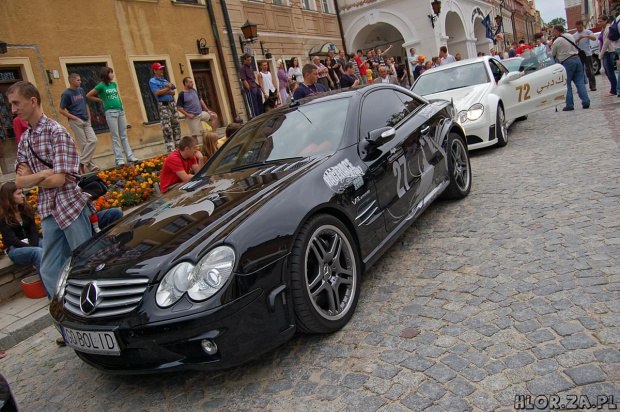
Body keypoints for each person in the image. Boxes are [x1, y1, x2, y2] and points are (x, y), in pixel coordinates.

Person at [9, 82, 95, 347]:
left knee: (84, 266)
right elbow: (19, 182)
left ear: (32, 101)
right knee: (49, 270)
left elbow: (59, 180)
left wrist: (35, 178)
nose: (13, 110)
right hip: (48, 209)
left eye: (16, 104)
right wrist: (41, 175)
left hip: (70, 205)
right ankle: (66, 323)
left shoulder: (57, 132)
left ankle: (94, 323)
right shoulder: (26, 139)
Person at [87, 67, 137, 166]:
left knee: (123, 134)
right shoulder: (101, 86)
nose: (113, 75)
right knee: (115, 136)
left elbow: (116, 96)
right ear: (106, 74)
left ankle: (130, 156)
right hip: (110, 112)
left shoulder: (113, 84)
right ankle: (119, 159)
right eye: (111, 73)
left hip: (120, 110)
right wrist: (101, 100)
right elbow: (89, 95)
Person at [59, 73, 100, 174]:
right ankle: (92, 167)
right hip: (76, 120)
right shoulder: (66, 94)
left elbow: (85, 104)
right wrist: (73, 117)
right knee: (84, 144)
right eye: (78, 80)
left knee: (93, 140)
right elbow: (61, 110)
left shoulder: (81, 90)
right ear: (71, 81)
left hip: (86, 119)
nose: (80, 82)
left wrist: (89, 116)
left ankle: (81, 162)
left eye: (80, 80)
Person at [0, 182, 42, 277]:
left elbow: (33, 233)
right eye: (19, 194)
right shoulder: (3, 217)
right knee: (38, 252)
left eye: (22, 193)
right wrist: (33, 249)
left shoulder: (26, 210)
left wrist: (34, 246)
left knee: (51, 246)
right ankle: (50, 289)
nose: (23, 196)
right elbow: (13, 240)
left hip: (32, 243)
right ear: (9, 197)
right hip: (15, 249)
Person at [550, 24, 590, 111]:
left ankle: (570, 104)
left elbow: (552, 54)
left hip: (567, 62)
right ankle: (586, 101)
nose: (553, 33)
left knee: (567, 84)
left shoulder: (557, 41)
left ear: (557, 31)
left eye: (553, 31)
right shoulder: (570, 36)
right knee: (580, 82)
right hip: (577, 59)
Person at [149, 62, 181, 153]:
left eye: (162, 69)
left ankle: (178, 145)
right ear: (155, 71)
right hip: (163, 104)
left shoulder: (164, 80)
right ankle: (170, 147)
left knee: (176, 124)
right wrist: (167, 88)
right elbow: (157, 93)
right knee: (166, 126)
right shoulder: (152, 81)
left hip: (171, 103)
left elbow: (173, 92)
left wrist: (165, 90)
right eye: (160, 69)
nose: (162, 71)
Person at [573, 20, 597, 92]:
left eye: (580, 27)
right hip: (579, 55)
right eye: (577, 28)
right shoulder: (574, 35)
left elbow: (594, 38)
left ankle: (593, 86)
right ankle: (581, 87)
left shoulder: (587, 32)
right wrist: (576, 41)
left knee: (590, 71)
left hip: (587, 54)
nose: (579, 29)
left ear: (583, 26)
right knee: (580, 72)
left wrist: (585, 36)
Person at [598, 15, 618, 97]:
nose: (599, 23)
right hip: (605, 52)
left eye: (601, 21)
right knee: (607, 71)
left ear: (606, 21)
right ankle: (614, 88)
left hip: (608, 52)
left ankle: (614, 89)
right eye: (598, 21)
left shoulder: (608, 29)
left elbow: (606, 42)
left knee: (610, 71)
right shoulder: (603, 29)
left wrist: (601, 54)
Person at [240, 54, 263, 118]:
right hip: (250, 88)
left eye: (250, 60)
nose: (249, 61)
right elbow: (244, 80)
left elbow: (253, 77)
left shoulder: (251, 67)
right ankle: (256, 117)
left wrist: (257, 86)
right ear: (244, 60)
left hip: (254, 85)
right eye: (248, 60)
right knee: (254, 104)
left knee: (259, 100)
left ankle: (261, 115)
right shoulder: (242, 68)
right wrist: (249, 88)